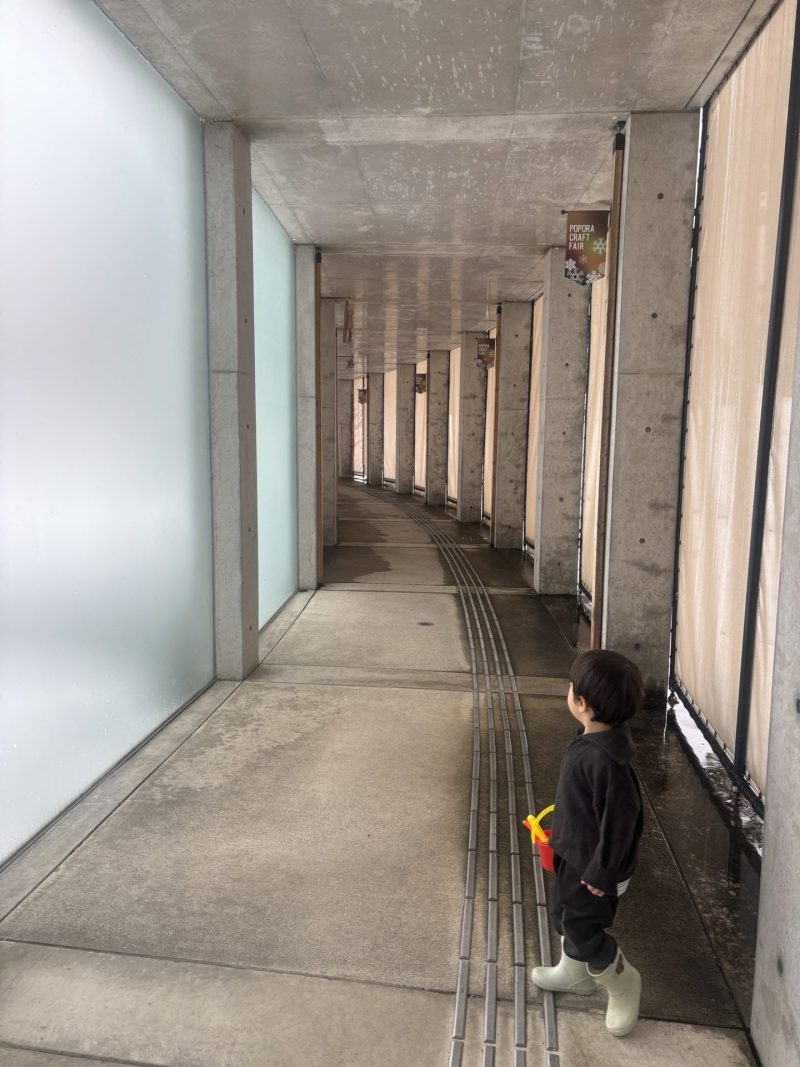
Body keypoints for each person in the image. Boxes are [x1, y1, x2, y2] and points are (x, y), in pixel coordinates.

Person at [531, 648, 644, 1037]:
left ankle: (623, 981)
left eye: (570, 687)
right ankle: (574, 973)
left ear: (581, 703)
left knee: (584, 928)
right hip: (575, 853)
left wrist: (603, 870)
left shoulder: (608, 762)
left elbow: (621, 822)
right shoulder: (594, 736)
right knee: (564, 915)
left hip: (595, 869)